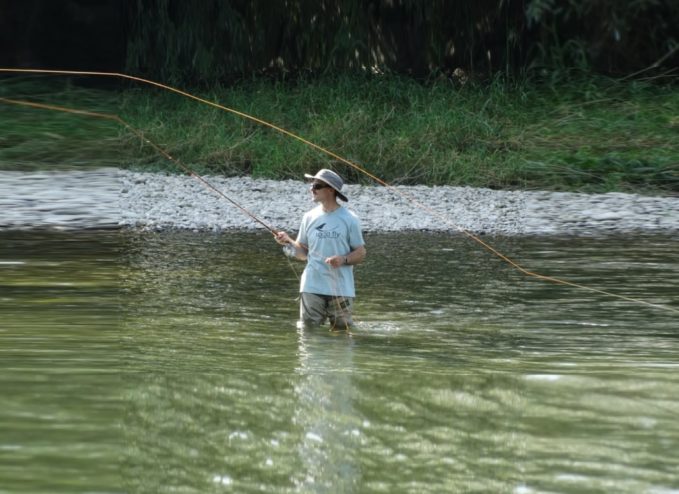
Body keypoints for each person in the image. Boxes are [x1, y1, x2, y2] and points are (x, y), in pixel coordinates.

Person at [276, 169, 366, 330]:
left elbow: (361, 253)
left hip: (341, 289)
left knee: (342, 334)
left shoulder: (350, 219)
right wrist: (288, 242)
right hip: (311, 286)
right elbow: (303, 254)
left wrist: (343, 259)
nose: (312, 189)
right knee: (308, 333)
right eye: (311, 185)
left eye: (317, 185)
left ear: (330, 190)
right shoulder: (308, 217)